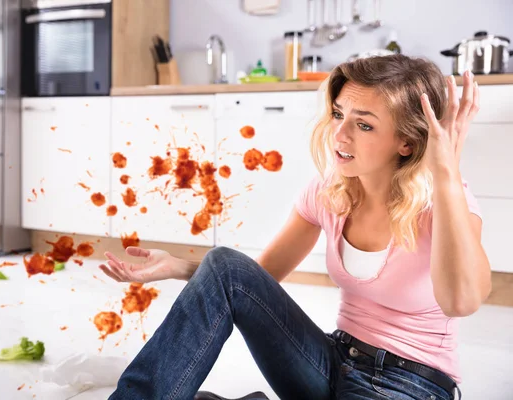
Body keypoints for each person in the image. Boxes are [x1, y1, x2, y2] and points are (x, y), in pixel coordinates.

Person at [100, 54, 490, 400]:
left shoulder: (445, 203)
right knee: (224, 263)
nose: (340, 134)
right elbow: (250, 282)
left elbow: (462, 302)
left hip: (411, 384)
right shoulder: (329, 194)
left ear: (406, 142)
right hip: (331, 360)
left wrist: (447, 174)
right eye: (339, 115)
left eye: (364, 125)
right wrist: (180, 268)